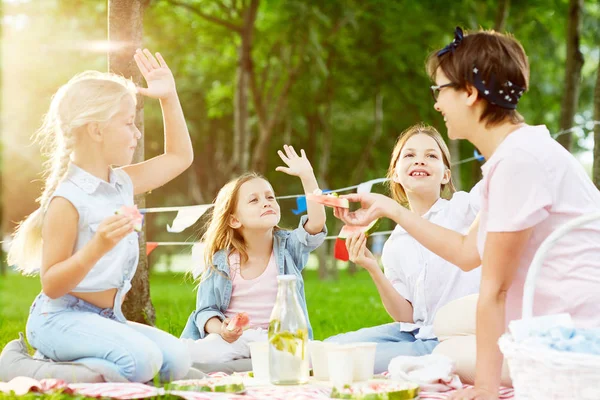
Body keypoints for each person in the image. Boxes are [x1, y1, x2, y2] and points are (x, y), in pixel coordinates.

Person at [334, 27, 600, 400]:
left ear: (470, 93)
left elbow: (495, 288)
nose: (437, 104)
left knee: (446, 351)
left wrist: (486, 389)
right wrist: (391, 208)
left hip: (575, 340)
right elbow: (465, 251)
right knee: (447, 321)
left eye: (440, 90)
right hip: (563, 314)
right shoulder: (517, 152)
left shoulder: (517, 163)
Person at [8, 49, 194, 382]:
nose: (137, 133)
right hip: (58, 318)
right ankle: (20, 366)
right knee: (142, 363)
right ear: (96, 130)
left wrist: (168, 96)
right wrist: (98, 245)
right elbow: (51, 284)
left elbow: (179, 156)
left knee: (177, 361)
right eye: (128, 123)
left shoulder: (121, 183)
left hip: (108, 318)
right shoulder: (67, 200)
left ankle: (93, 372)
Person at [325, 124, 481, 374]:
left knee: (349, 363)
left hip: (454, 340)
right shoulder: (395, 244)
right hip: (414, 334)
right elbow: (406, 316)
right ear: (395, 174)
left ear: (445, 175)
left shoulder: (464, 209)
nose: (420, 161)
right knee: (327, 350)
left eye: (431, 156)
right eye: (409, 155)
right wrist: (372, 268)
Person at [181, 145, 327, 364]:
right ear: (234, 220)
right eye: (254, 200)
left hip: (279, 338)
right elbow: (206, 310)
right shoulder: (221, 260)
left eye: (270, 197)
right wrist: (223, 329)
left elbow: (316, 223)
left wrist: (307, 176)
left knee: (319, 354)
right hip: (234, 340)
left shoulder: (289, 247)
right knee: (189, 354)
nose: (266, 202)